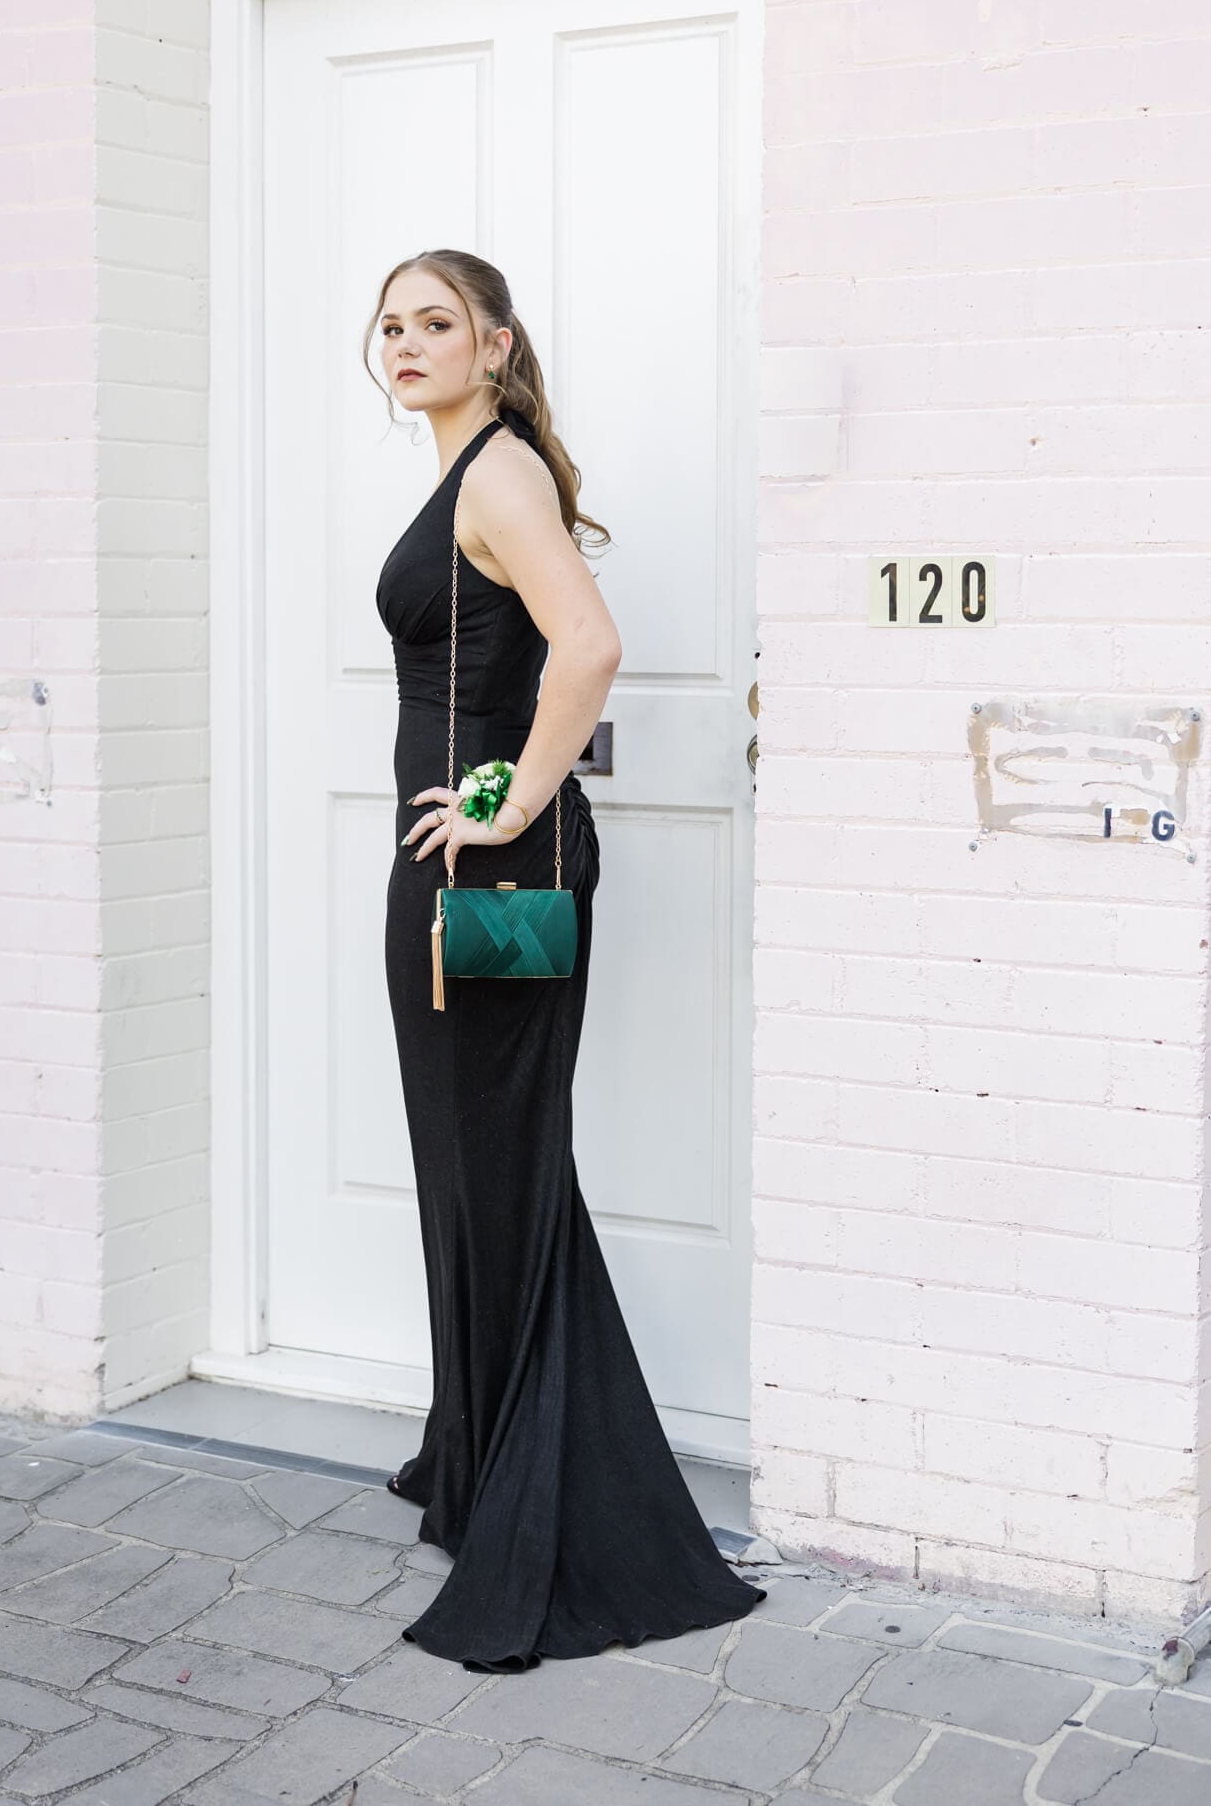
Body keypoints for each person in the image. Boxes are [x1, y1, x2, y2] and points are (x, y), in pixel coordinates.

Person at [371, 247, 764, 1673]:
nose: (408, 344)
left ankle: (552, 1507)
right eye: (391, 327)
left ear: (495, 343)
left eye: (437, 323)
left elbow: (587, 646)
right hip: (462, 867)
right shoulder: (473, 471)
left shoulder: (497, 474)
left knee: (500, 1165)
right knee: (466, 1164)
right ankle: (481, 1461)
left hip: (499, 873)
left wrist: (506, 805)